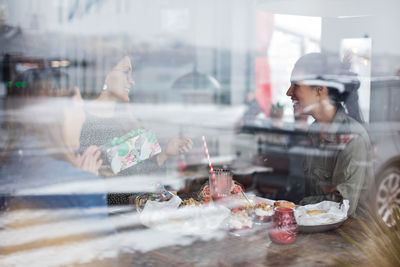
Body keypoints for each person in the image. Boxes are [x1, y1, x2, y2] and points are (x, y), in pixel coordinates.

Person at [0, 68, 114, 254]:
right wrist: (85, 184)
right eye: (79, 107)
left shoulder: (5, 172)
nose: (84, 117)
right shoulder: (79, 186)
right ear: (60, 113)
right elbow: (106, 255)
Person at [286, 52, 374, 217]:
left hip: (348, 238)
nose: (289, 92)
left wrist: (298, 205)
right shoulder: (314, 130)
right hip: (318, 230)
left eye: (296, 85)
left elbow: (342, 206)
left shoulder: (353, 138)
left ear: (319, 90)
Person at [80, 55, 192, 176]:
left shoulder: (128, 118)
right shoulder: (80, 120)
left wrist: (165, 154)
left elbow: (143, 172)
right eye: (125, 73)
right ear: (105, 75)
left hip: (136, 194)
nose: (131, 81)